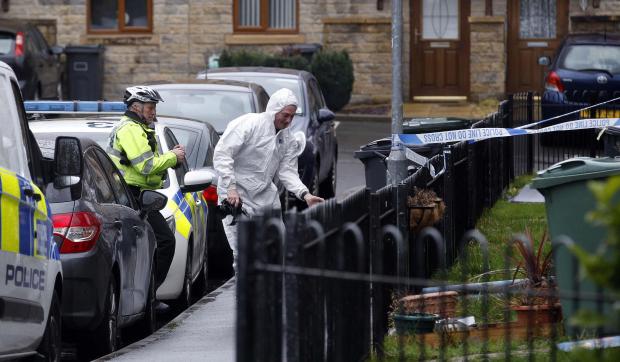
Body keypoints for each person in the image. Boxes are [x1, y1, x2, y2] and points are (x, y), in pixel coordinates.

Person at [213, 88, 324, 269]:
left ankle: (270, 293)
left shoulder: (287, 137)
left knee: (277, 247)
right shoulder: (248, 125)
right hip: (237, 197)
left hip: (265, 196)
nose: (288, 121)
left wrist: (305, 194)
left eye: (292, 116)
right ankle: (245, 294)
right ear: (274, 110)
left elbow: (287, 171)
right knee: (243, 252)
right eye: (285, 115)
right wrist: (230, 187)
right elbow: (223, 154)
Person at [106, 85, 186, 297]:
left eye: (154, 107)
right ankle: (148, 295)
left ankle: (146, 294)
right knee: (165, 241)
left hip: (137, 195)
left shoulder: (139, 128)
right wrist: (173, 157)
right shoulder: (131, 129)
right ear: (135, 107)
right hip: (131, 195)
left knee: (152, 244)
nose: (153, 111)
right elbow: (146, 166)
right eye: (150, 107)